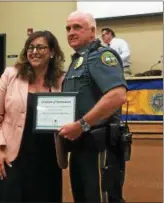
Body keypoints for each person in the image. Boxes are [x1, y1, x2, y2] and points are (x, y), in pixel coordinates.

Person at [0, 30, 65, 202]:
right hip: (10, 158)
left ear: (52, 52)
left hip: (47, 161)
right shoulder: (10, 75)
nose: (34, 51)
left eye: (40, 47)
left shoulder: (62, 80)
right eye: (30, 47)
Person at [58, 11, 128, 203]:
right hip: (79, 147)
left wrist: (81, 125)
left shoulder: (102, 56)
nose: (71, 32)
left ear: (92, 32)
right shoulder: (77, 61)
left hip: (100, 148)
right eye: (68, 28)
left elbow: (117, 95)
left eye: (77, 27)